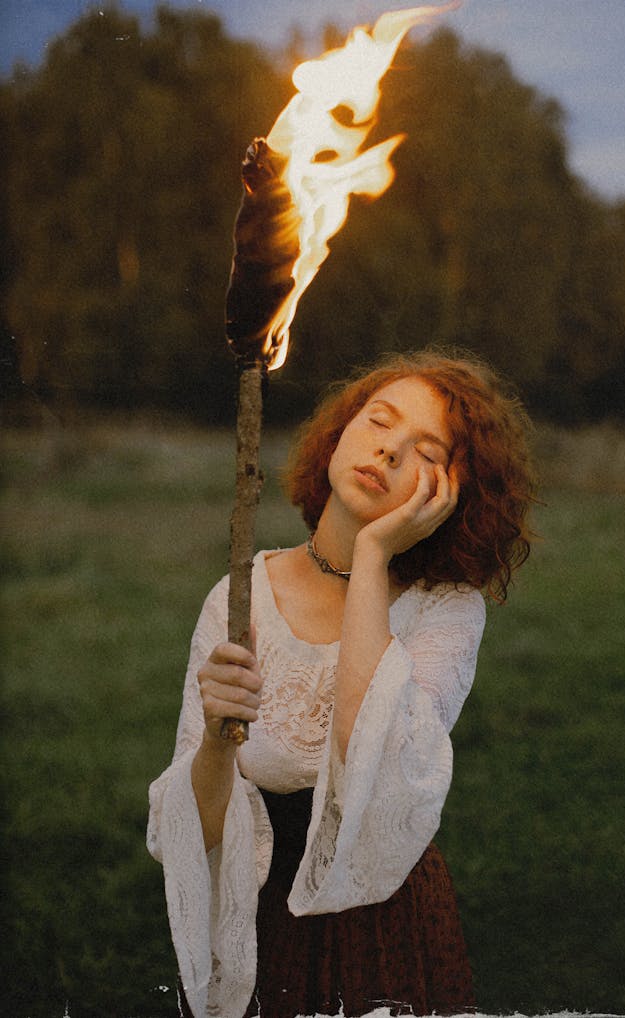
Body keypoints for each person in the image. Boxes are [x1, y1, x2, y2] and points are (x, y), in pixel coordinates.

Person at [147, 349, 535, 1018]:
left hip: (379, 918)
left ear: (448, 495)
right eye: (379, 422)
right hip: (259, 912)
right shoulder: (239, 597)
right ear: (341, 430)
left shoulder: (445, 608)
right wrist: (215, 741)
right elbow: (195, 833)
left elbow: (368, 764)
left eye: (425, 451)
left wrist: (375, 552)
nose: (387, 452)